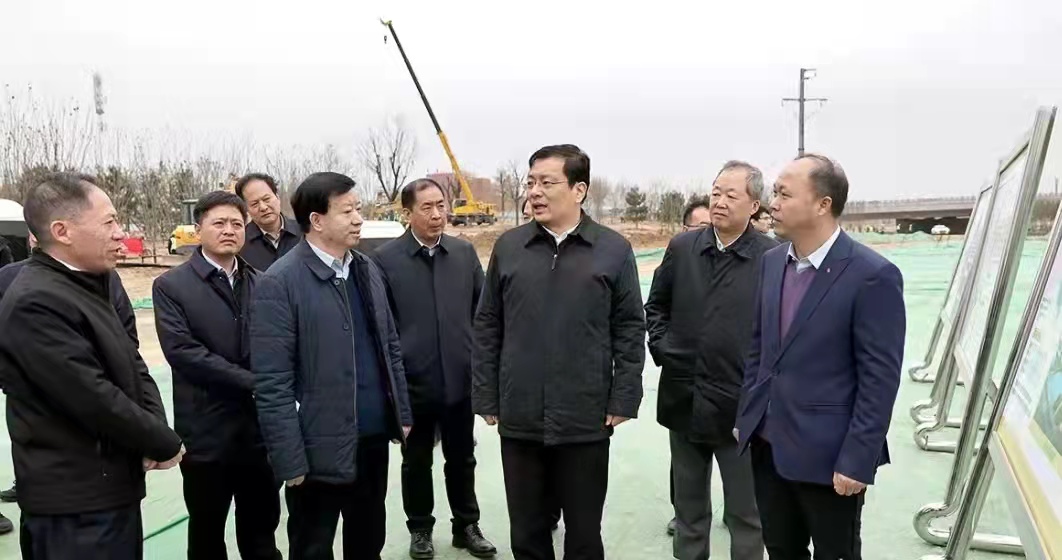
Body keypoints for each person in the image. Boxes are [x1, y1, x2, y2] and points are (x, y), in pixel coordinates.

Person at [473, 144, 646, 560]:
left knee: (584, 532)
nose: (534, 192)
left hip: (585, 416)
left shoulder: (613, 249)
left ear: (579, 190)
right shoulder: (509, 247)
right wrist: (486, 395)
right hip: (520, 414)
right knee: (527, 532)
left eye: (547, 183)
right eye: (530, 182)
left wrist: (624, 396)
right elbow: (488, 324)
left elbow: (629, 328)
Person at [0, 173, 184, 559]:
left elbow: (132, 359)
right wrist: (161, 441)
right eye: (109, 222)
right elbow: (91, 396)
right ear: (62, 231)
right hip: (74, 505)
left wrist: (156, 427)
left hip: (108, 490)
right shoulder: (36, 301)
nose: (120, 234)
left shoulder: (90, 283)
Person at [735, 154, 906, 560]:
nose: (772, 203)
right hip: (769, 445)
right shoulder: (772, 263)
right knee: (781, 549)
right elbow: (760, 349)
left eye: (784, 194)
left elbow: (879, 381)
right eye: (775, 193)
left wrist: (857, 460)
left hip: (830, 457)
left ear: (823, 204)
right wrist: (748, 413)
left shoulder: (872, 275)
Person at [252, 171, 413, 560]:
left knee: (368, 541)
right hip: (315, 448)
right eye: (347, 211)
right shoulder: (280, 282)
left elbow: (389, 346)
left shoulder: (366, 269)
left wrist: (401, 413)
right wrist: (289, 459)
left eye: (358, 209)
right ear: (317, 220)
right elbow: (273, 382)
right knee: (312, 545)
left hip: (371, 438)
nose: (358, 219)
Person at [647, 162, 774, 560]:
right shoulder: (683, 248)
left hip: (742, 409)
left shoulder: (772, 257)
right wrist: (666, 349)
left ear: (754, 205)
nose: (719, 201)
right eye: (716, 192)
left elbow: (781, 332)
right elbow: (656, 306)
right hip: (684, 398)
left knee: (747, 514)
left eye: (731, 195)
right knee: (689, 510)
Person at [153, 191, 281, 560]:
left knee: (261, 530)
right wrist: (254, 382)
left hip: (258, 434)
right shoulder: (172, 286)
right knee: (207, 531)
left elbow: (278, 344)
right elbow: (183, 352)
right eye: (219, 223)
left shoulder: (263, 283)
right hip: (206, 433)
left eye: (237, 224)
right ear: (199, 230)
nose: (229, 230)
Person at [374, 178, 496, 559]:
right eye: (426, 207)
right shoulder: (385, 260)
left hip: (459, 381)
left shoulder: (463, 253)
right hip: (413, 384)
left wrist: (479, 368)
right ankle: (420, 529)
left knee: (462, 458)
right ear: (407, 213)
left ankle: (467, 526)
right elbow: (383, 326)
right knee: (416, 462)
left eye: (441, 205)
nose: (437, 214)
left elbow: (482, 313)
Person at [0, 232, 145, 534]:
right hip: (51, 450)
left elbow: (128, 339)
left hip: (108, 450)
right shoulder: (14, 281)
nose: (117, 233)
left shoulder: (105, 276)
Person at [662, 194, 716, 538]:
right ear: (684, 229)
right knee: (685, 458)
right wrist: (665, 349)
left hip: (728, 382)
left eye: (711, 226)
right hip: (684, 379)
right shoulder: (678, 258)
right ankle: (682, 512)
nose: (707, 232)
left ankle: (738, 510)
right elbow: (656, 307)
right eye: (699, 227)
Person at [235, 173, 302, 271]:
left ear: (277, 198)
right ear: (246, 209)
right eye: (254, 204)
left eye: (267, 199)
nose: (263, 207)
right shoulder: (240, 241)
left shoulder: (306, 232)